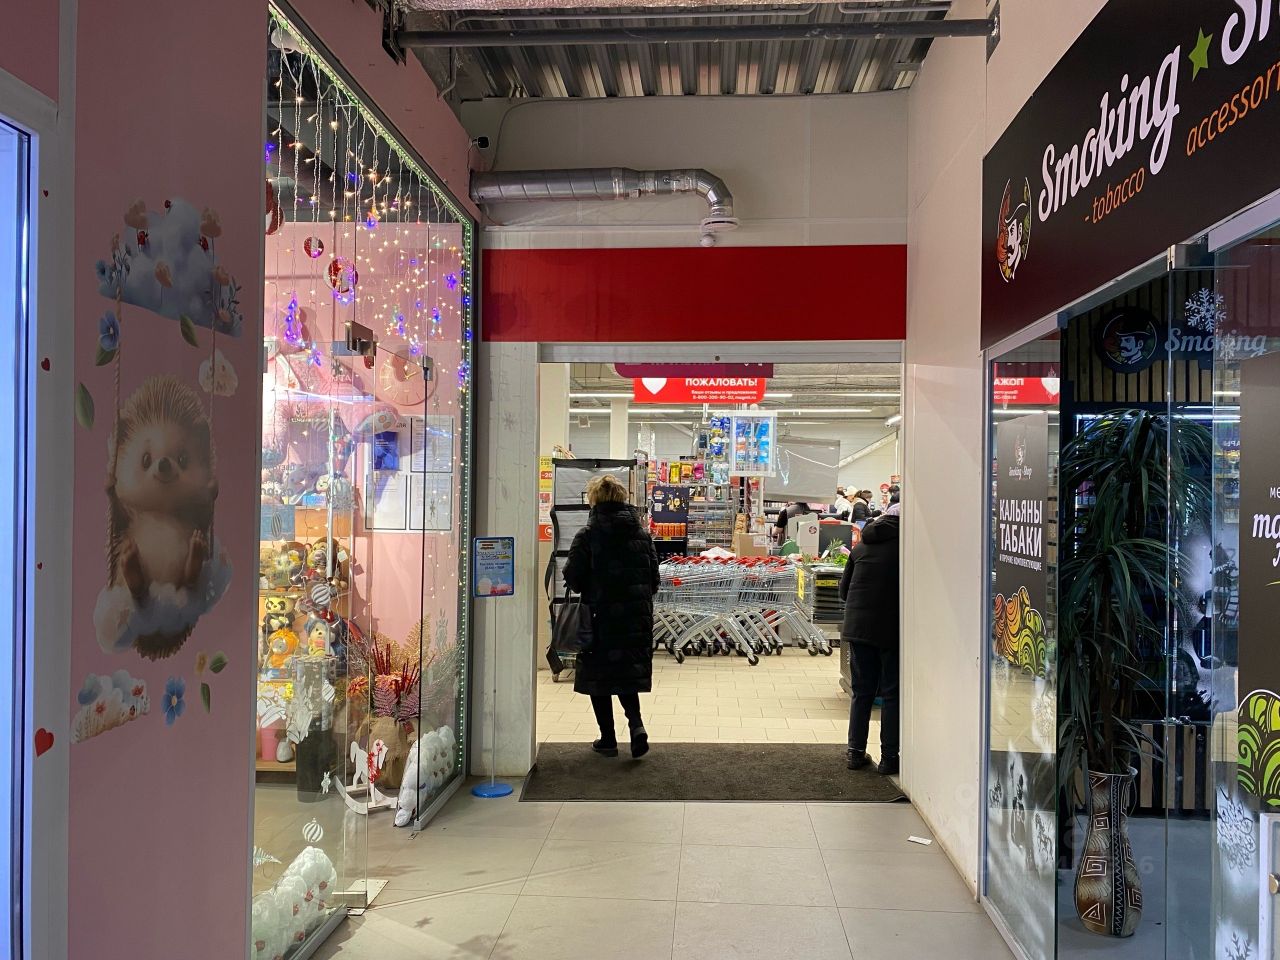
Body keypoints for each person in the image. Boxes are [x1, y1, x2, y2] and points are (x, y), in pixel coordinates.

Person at [563, 474, 660, 758]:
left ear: (594, 500)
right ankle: (637, 726)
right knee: (626, 672)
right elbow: (654, 580)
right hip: (634, 619)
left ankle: (608, 739)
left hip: (599, 617)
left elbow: (573, 577)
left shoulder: (588, 535)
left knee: (599, 676)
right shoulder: (641, 535)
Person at [839, 503, 900, 775]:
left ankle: (855, 752)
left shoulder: (861, 547)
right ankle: (889, 758)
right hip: (890, 630)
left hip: (858, 628)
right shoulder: (906, 548)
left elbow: (843, 592)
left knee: (862, 692)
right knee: (891, 694)